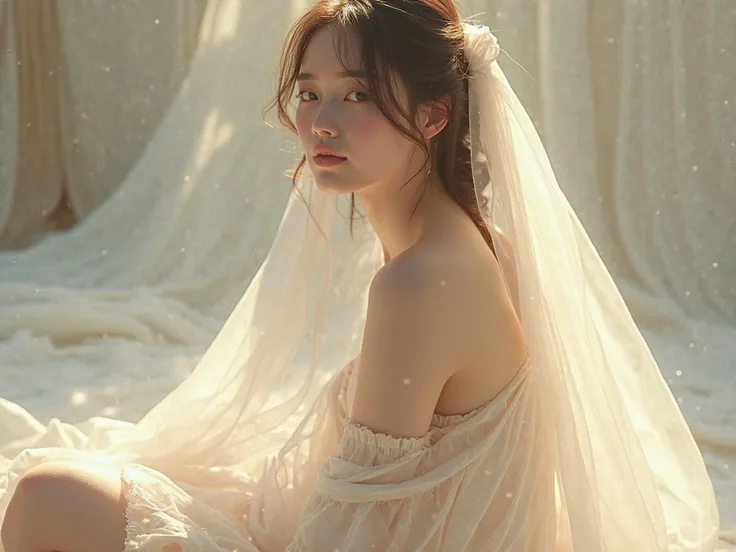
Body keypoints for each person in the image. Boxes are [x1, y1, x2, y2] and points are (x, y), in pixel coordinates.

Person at [0, 1, 720, 551]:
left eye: (359, 95)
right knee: (77, 483)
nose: (322, 122)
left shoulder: (422, 280)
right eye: (310, 93)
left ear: (435, 115)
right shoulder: (468, 240)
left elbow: (352, 532)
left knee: (45, 494)